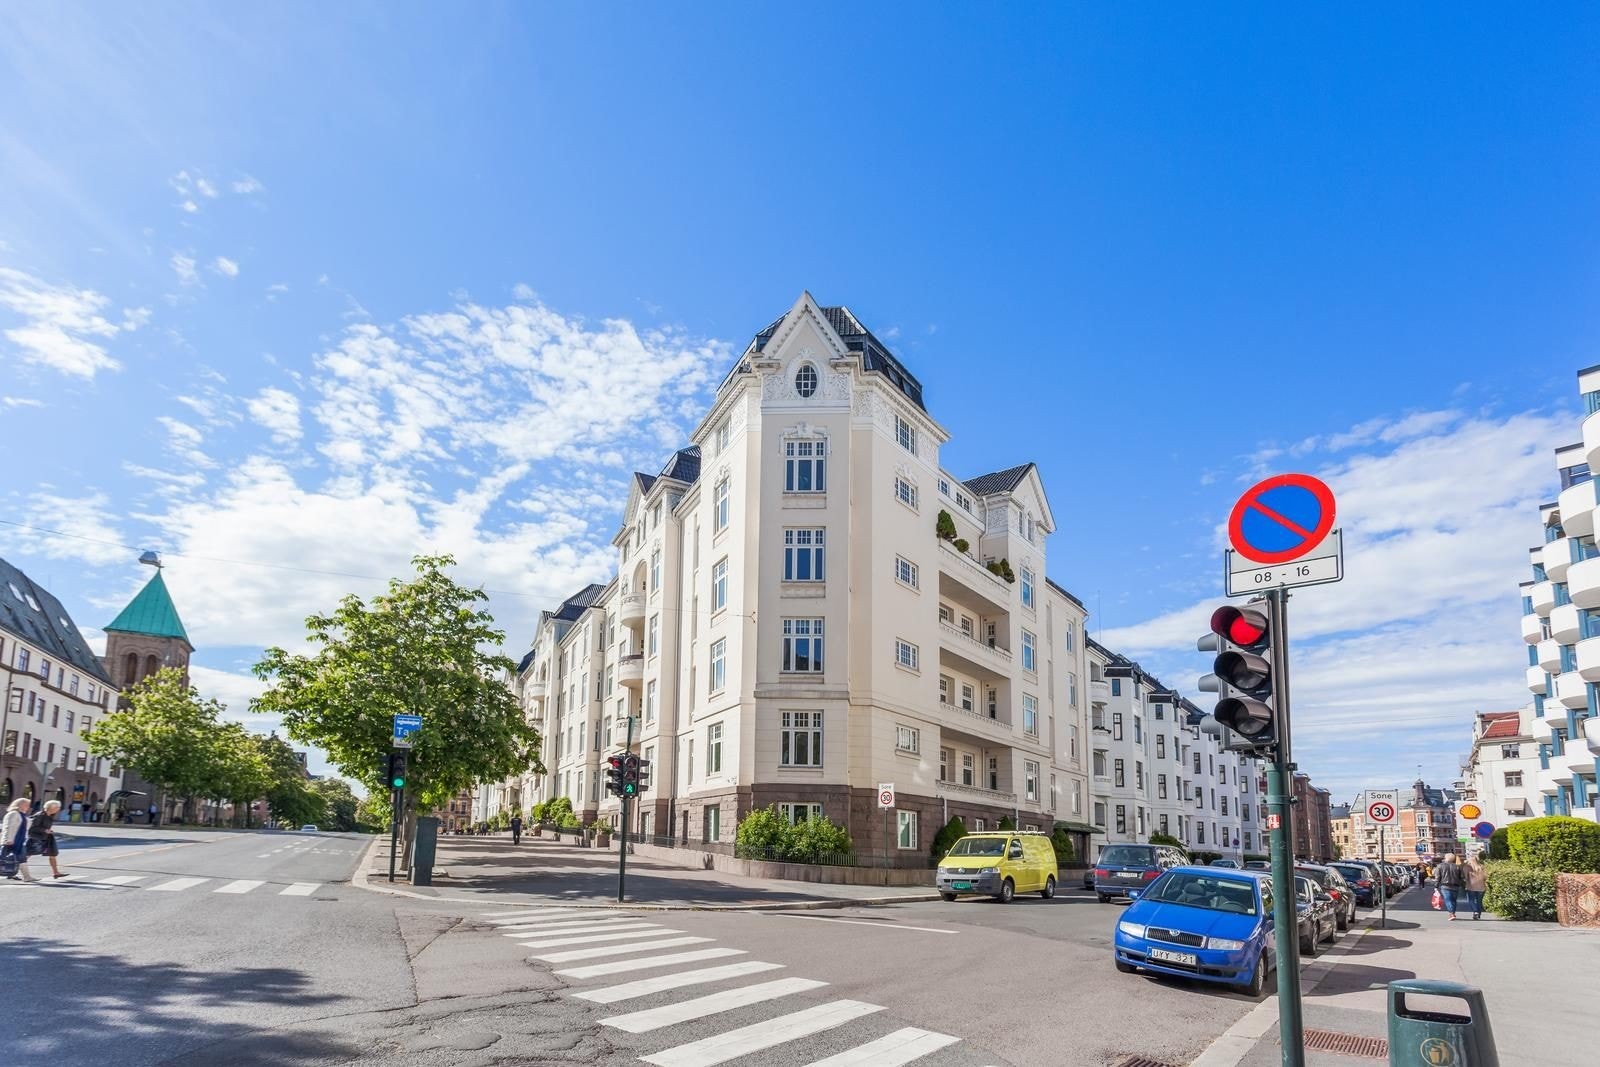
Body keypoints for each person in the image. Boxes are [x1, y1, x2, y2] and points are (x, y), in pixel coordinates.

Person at [28, 799, 67, 879]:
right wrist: (45, 830)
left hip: (46, 837)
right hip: (36, 838)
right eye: (57, 808)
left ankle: (56, 873)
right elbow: (33, 828)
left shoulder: (50, 815)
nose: (58, 809)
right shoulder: (40, 815)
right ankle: (13, 870)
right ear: (51, 808)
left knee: (53, 854)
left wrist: (48, 831)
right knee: (28, 854)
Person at [2, 797, 37, 883]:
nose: (28, 807)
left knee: (21, 858)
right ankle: (26, 876)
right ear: (20, 805)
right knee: (6, 858)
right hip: (12, 841)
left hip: (20, 841)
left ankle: (27, 877)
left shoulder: (22, 815)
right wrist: (8, 839)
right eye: (26, 805)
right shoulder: (13, 814)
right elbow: (8, 827)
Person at [1436, 853, 1465, 920]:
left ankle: (1451, 913)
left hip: (1445, 885)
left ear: (1446, 858)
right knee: (1454, 900)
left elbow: (1438, 876)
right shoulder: (1458, 866)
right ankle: (1453, 913)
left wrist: (1436, 885)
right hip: (1456, 885)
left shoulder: (1440, 866)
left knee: (1448, 900)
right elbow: (1462, 877)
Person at [1464, 852, 1488, 919]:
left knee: (1471, 900)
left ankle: (1475, 911)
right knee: (1479, 901)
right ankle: (1479, 914)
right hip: (1481, 887)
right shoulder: (1481, 867)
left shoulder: (1468, 867)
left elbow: (1465, 877)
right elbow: (1485, 877)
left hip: (1471, 886)